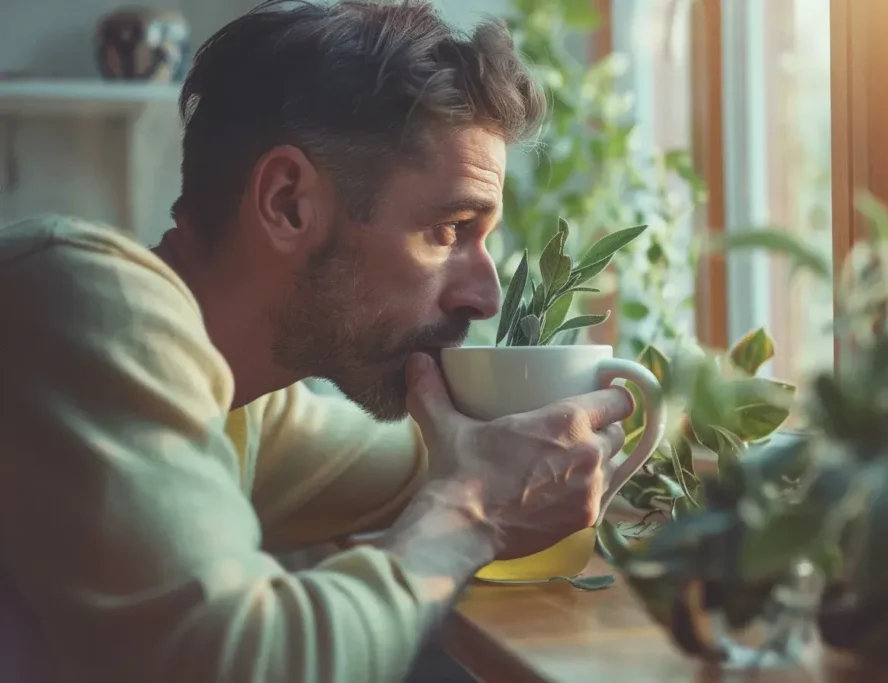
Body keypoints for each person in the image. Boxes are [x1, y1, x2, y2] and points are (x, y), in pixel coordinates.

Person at [0, 1, 634, 682]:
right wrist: (473, 512)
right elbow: (241, 663)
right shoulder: (84, 303)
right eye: (449, 229)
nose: (486, 296)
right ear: (287, 202)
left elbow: (457, 454)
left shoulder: (241, 402)